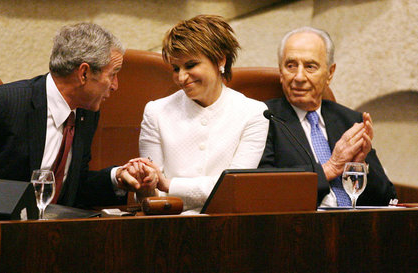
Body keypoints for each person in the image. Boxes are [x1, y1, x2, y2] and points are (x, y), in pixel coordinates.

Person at [0, 23, 155, 212]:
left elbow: (70, 190)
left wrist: (117, 178)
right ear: (84, 73)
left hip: (38, 239)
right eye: (113, 75)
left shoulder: (85, 114)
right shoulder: (5, 104)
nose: (115, 86)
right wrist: (15, 206)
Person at [135, 15, 269, 214]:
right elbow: (152, 195)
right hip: (169, 222)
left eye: (190, 66)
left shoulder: (254, 112)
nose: (181, 77)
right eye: (175, 68)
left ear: (220, 59)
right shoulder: (155, 111)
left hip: (228, 224)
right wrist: (144, 182)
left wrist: (168, 184)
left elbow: (234, 187)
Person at [258, 26, 396, 207]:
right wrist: (331, 168)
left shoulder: (350, 121)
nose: (299, 76)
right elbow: (262, 189)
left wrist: (361, 166)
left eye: (310, 66)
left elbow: (387, 198)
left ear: (330, 73)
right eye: (291, 66)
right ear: (281, 72)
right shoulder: (263, 119)